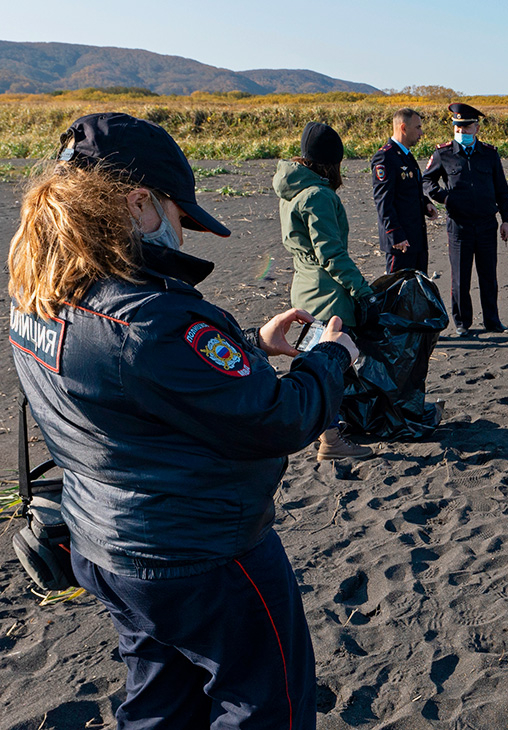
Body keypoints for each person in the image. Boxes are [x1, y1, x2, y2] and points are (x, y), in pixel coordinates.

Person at [7, 112, 359, 729]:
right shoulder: (150, 320)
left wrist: (247, 344)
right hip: (199, 555)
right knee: (263, 704)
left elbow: (121, 386)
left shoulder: (42, 291)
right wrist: (331, 361)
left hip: (107, 542)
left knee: (159, 697)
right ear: (140, 203)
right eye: (178, 216)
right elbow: (277, 419)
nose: (181, 231)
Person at [274, 121, 374, 459]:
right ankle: (331, 439)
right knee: (331, 364)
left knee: (315, 361)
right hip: (327, 292)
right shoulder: (318, 195)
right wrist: (362, 290)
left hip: (303, 286)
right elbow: (330, 253)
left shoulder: (291, 193)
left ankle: (330, 431)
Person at [422, 103, 508, 336]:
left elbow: (502, 189)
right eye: (458, 127)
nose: (461, 131)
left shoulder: (490, 154)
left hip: (485, 224)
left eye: (466, 127)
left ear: (477, 128)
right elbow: (427, 180)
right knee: (460, 278)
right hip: (459, 226)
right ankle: (462, 323)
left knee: (488, 276)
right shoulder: (443, 154)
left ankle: (492, 321)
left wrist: (506, 219)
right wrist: (444, 198)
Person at [371, 107, 438, 273]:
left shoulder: (406, 155)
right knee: (397, 293)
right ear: (403, 127)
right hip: (400, 243)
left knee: (416, 291)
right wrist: (395, 235)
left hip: (415, 238)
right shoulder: (385, 157)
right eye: (418, 127)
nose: (421, 133)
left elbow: (409, 191)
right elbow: (383, 201)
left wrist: (426, 204)